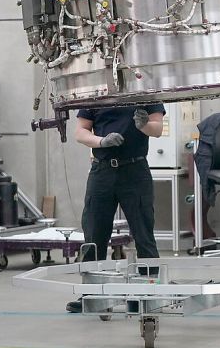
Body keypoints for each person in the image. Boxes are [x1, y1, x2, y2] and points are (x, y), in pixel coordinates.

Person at [65, 104, 165, 313]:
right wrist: (101, 142)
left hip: (135, 170)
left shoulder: (144, 93)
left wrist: (144, 125)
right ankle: (92, 294)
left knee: (143, 234)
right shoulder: (96, 96)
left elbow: (157, 129)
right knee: (94, 234)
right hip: (102, 171)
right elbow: (80, 132)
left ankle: (148, 293)